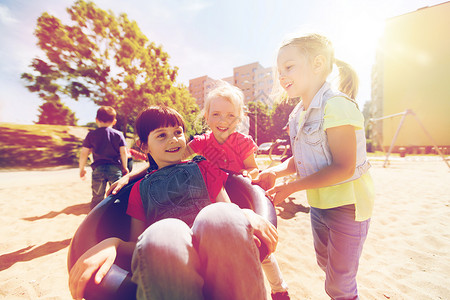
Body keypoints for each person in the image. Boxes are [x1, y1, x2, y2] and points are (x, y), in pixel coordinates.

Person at [69, 106, 278, 300]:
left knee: (220, 215)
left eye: (178, 132)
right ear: (144, 146)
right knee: (164, 231)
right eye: (162, 135)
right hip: (172, 258)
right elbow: (137, 243)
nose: (173, 140)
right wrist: (113, 243)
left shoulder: (203, 168)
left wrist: (244, 214)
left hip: (215, 248)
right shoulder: (138, 190)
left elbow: (227, 206)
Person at [254, 33, 374, 300]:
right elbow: (302, 158)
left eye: (289, 67)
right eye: (279, 70)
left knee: (338, 285)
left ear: (318, 63)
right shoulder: (297, 114)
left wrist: (291, 187)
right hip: (320, 205)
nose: (282, 76)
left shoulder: (337, 105)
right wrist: (276, 171)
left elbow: (343, 167)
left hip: (348, 205)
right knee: (325, 265)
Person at [183, 81, 290, 300]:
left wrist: (248, 173)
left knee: (259, 247)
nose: (223, 121)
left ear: (239, 118)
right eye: (216, 114)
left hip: (239, 200)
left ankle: (279, 288)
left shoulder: (242, 143)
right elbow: (171, 156)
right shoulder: (201, 142)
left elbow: (252, 167)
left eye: (230, 116)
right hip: (211, 203)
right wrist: (132, 174)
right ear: (206, 116)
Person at [79, 106, 129, 209]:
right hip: (115, 169)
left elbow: (84, 153)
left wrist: (82, 168)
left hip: (98, 169)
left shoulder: (91, 135)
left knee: (97, 197)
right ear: (114, 121)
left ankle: (95, 219)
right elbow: (123, 152)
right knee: (117, 194)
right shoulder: (118, 134)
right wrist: (125, 167)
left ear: (96, 120)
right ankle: (117, 214)